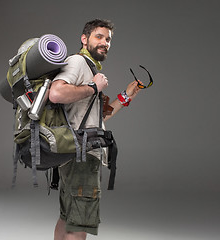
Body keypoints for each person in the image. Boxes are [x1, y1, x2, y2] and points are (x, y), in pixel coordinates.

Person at [49, 19, 142, 240]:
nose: (105, 43)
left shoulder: (89, 67)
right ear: (84, 39)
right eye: (99, 37)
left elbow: (97, 118)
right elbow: (56, 93)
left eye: (108, 39)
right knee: (79, 222)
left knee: (67, 216)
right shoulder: (78, 62)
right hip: (82, 154)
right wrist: (94, 86)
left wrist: (126, 96)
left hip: (74, 151)